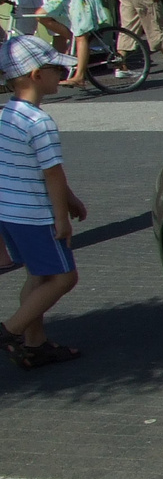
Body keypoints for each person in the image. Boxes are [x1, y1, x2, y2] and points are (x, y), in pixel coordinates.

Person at [0, 34, 85, 369]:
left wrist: (71, 199)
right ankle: (11, 331)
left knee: (38, 277)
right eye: (54, 70)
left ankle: (35, 346)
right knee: (64, 277)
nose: (60, 75)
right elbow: (51, 174)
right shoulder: (40, 123)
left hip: (10, 213)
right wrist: (62, 215)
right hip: (37, 216)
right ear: (36, 75)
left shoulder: (7, 115)